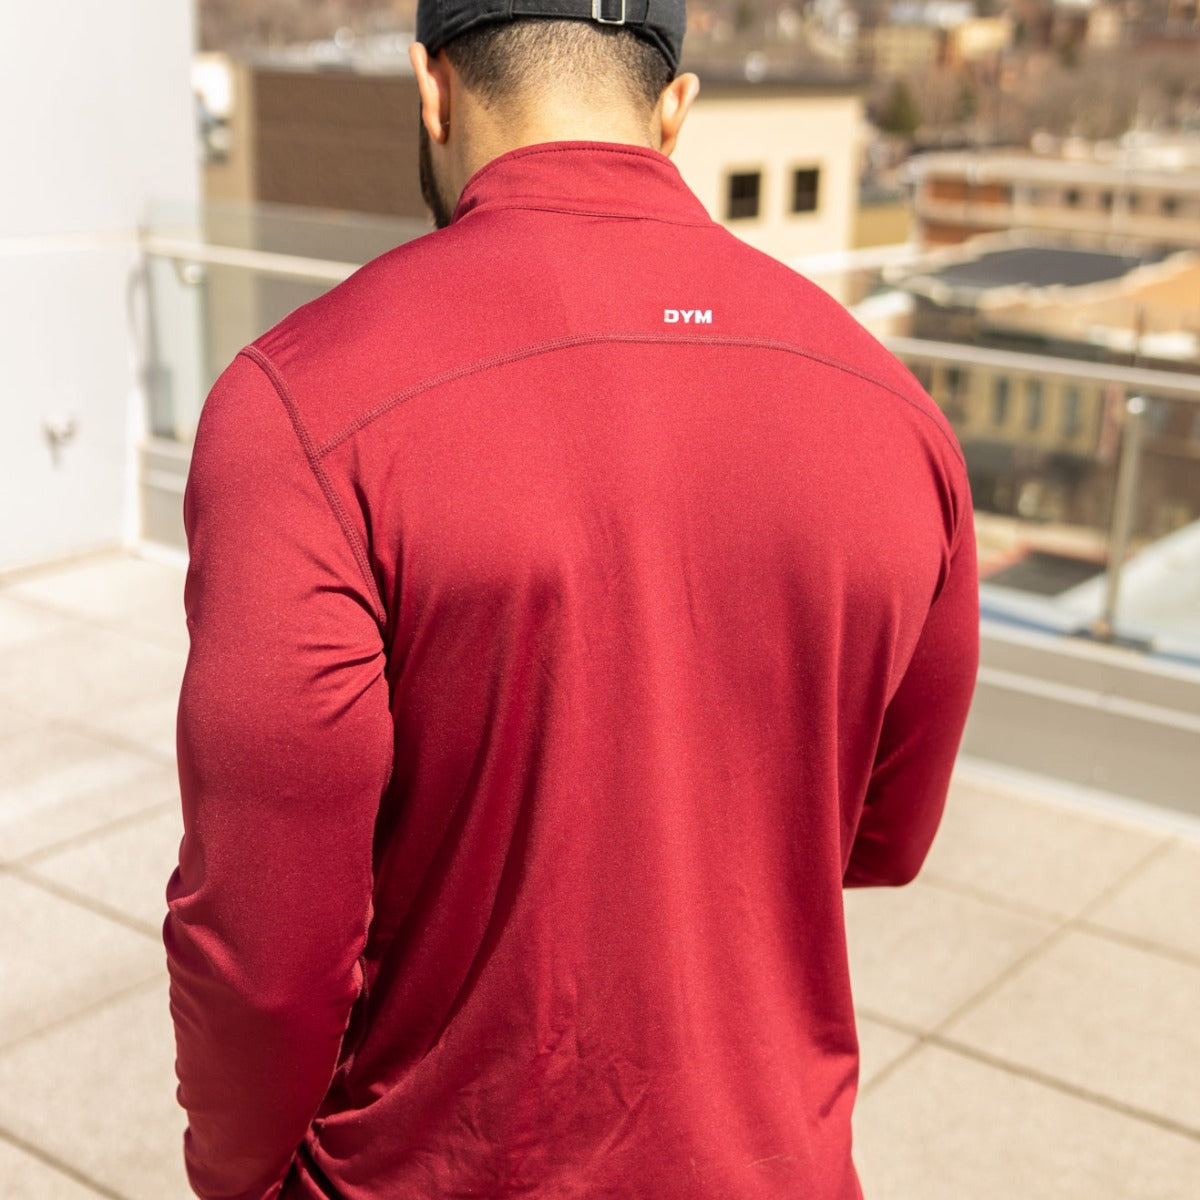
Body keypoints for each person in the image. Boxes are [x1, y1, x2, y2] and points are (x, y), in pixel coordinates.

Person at [163, 1, 979, 1197]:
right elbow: (887, 839)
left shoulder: (301, 408)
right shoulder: (896, 411)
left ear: (432, 90)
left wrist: (236, 1177)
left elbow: (265, 951)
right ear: (675, 109)